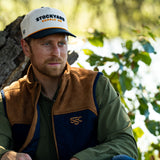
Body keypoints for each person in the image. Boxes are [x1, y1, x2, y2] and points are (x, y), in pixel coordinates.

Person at [0, 7, 138, 160]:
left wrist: (81, 159)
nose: (56, 53)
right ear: (26, 47)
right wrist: (7, 155)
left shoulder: (95, 85)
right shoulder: (9, 99)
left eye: (61, 43)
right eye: (46, 44)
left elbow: (125, 143)